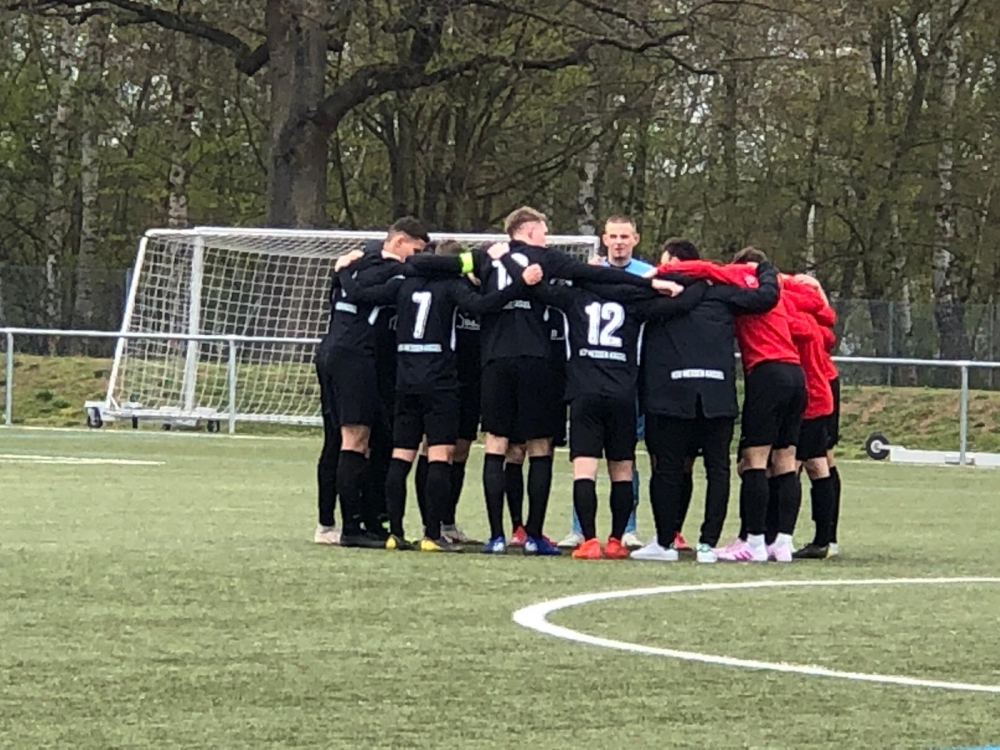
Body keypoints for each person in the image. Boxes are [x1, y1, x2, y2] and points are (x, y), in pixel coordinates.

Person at [477, 207, 661, 555]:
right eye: (544, 230)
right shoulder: (552, 260)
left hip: (503, 361)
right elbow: (594, 276)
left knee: (500, 445)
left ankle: (502, 536)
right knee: (550, 448)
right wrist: (654, 283)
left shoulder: (485, 257)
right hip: (564, 369)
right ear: (530, 230)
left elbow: (484, 285)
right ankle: (560, 537)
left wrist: (504, 265)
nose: (547, 237)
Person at [339, 240, 543, 550]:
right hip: (439, 379)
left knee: (401, 455)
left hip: (405, 378)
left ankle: (395, 533)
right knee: (440, 453)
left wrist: (343, 272)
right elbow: (485, 304)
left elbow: (361, 295)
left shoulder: (403, 284)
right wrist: (520, 285)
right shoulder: (451, 286)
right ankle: (432, 534)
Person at [514, 254, 696, 559]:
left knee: (584, 470)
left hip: (584, 392)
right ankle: (615, 540)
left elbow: (534, 287)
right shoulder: (634, 302)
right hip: (622, 394)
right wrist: (696, 285)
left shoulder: (573, 298)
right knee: (622, 470)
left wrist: (518, 268)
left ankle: (588, 541)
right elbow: (680, 304)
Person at [658, 247, 806, 563]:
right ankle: (782, 542)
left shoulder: (737, 277)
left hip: (767, 371)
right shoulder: (779, 289)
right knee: (786, 459)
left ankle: (753, 541)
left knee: (754, 459)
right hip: (796, 373)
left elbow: (703, 268)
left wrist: (662, 272)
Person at [325, 219, 429, 547]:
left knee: (373, 437)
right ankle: (350, 528)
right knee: (354, 438)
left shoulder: (361, 261)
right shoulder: (393, 273)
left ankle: (370, 520)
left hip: (344, 353)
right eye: (416, 250)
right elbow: (362, 295)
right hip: (354, 356)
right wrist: (343, 272)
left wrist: (343, 270)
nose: (417, 258)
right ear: (398, 242)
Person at [558, 215, 654, 551]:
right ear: (603, 239)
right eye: (613, 236)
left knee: (610, 465)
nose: (618, 242)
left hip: (619, 387)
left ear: (635, 239)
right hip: (608, 387)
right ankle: (587, 533)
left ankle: (620, 533)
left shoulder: (644, 276)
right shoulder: (634, 286)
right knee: (615, 466)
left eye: (624, 236)